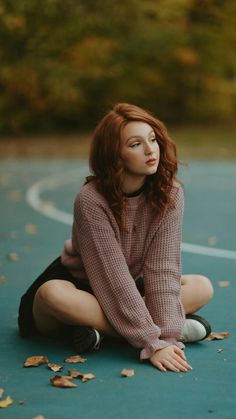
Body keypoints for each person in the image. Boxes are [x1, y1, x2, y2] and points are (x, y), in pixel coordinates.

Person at [18, 103, 213, 373]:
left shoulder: (170, 194)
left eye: (152, 139)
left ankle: (101, 332)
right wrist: (151, 342)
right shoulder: (91, 200)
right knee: (51, 295)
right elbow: (112, 276)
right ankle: (140, 329)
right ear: (114, 155)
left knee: (202, 286)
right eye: (135, 144)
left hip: (131, 287)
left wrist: (167, 337)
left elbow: (162, 266)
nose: (150, 150)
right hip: (81, 286)